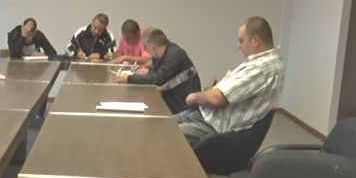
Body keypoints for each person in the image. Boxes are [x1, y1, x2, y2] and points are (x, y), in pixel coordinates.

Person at [175, 17, 285, 146]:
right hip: (205, 115)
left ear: (255, 40)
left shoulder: (261, 69)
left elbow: (217, 99)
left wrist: (194, 97)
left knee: (161, 134)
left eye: (241, 41)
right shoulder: (274, 61)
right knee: (159, 123)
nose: (238, 45)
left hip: (210, 124)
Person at [115, 28, 201, 114]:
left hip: (183, 104)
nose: (145, 50)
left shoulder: (174, 54)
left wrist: (128, 78)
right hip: (174, 97)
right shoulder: (164, 52)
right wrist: (144, 70)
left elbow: (158, 78)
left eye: (146, 47)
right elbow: (155, 69)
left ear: (153, 46)